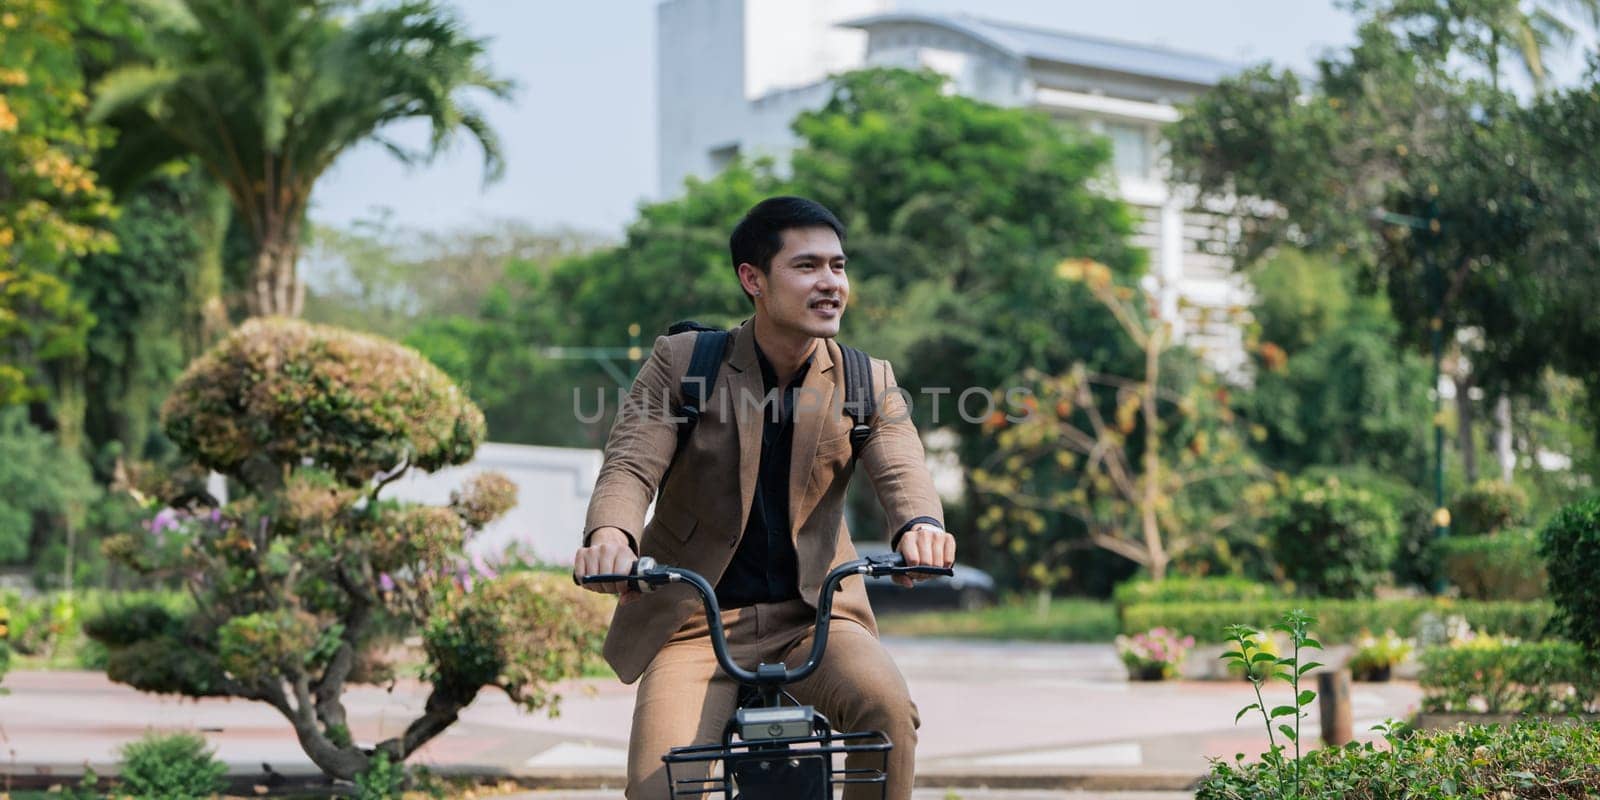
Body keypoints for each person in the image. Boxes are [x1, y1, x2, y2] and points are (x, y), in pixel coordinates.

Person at [573, 196, 955, 800]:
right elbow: (629, 464)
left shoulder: (865, 378)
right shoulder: (683, 364)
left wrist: (920, 526)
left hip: (818, 619)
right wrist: (610, 537)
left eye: (838, 265)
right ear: (753, 279)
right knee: (658, 788)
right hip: (695, 624)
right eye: (807, 267)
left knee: (886, 713)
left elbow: (902, 465)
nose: (831, 283)